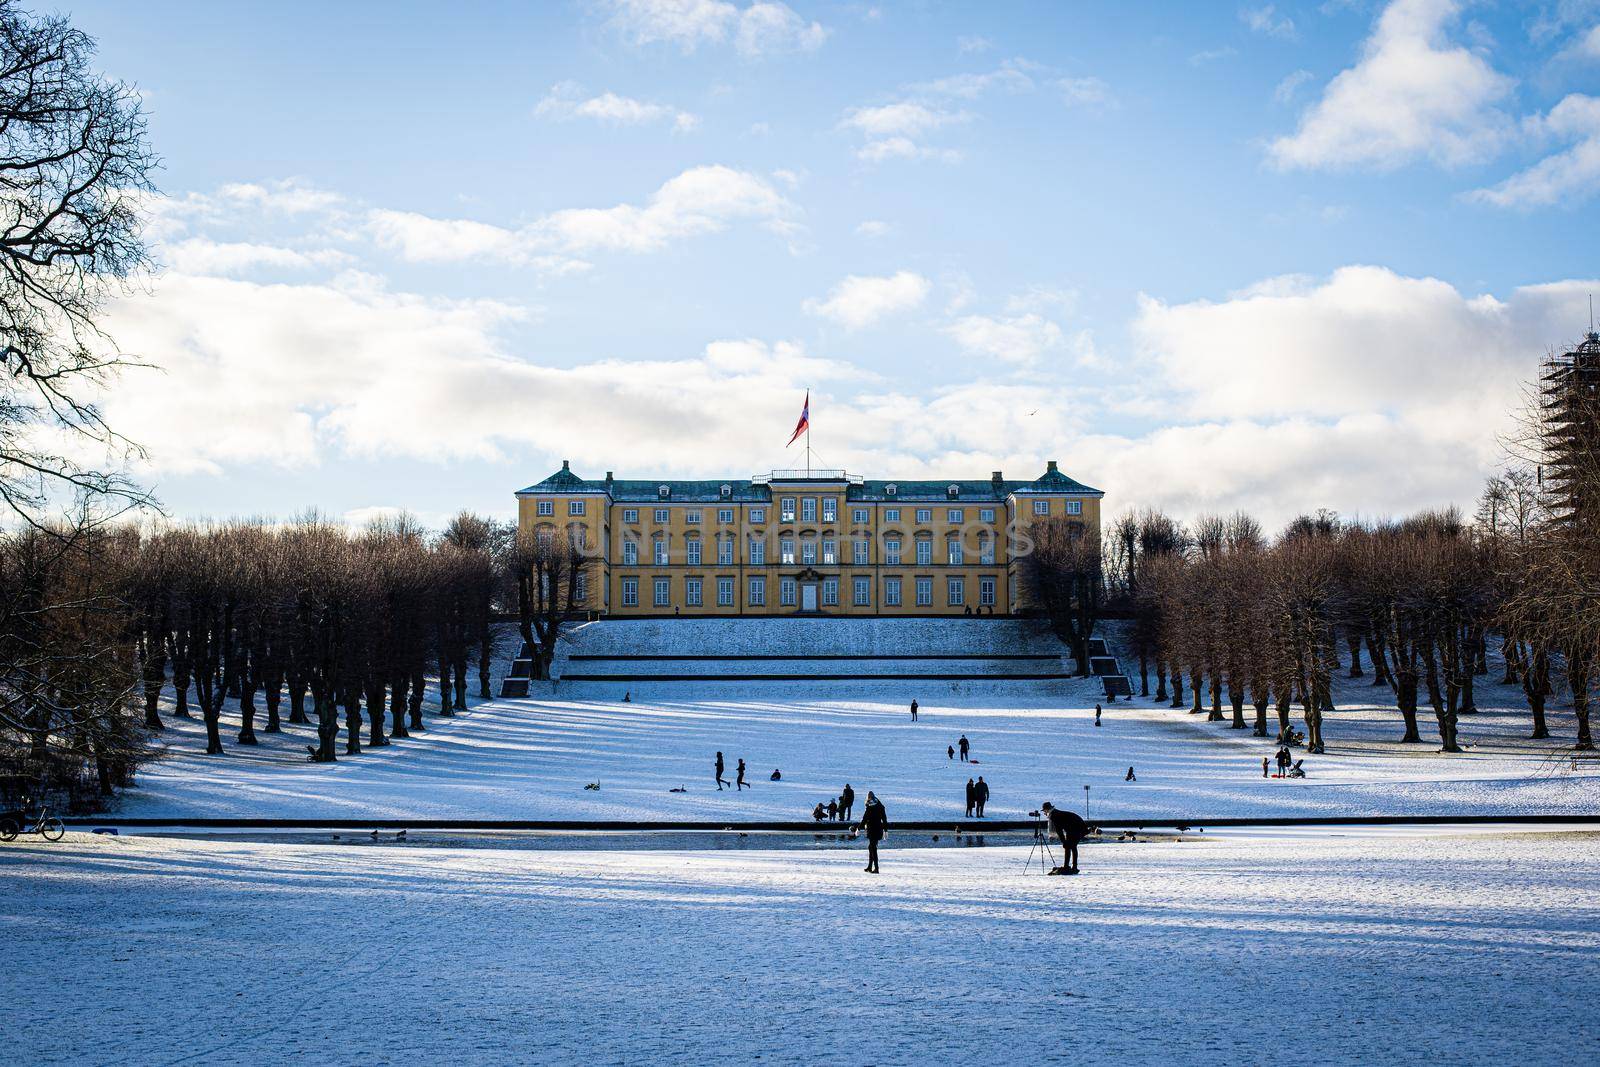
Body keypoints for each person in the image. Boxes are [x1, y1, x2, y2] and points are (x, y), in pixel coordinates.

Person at [1040, 801, 1088, 874]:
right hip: (1074, 828)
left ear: (1047, 809)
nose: (1044, 812)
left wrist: (1063, 842)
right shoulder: (1055, 813)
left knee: (1070, 846)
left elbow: (1059, 830)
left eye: (1044, 810)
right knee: (1070, 846)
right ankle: (1070, 867)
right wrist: (1064, 842)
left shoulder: (1054, 815)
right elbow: (1060, 829)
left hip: (1076, 828)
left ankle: (1070, 867)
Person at [859, 791, 888, 873]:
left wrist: (859, 828)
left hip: (872, 830)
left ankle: (876, 868)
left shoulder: (869, 806)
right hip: (878, 829)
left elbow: (864, 819)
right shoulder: (880, 806)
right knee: (871, 847)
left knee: (873, 848)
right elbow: (884, 819)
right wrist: (885, 830)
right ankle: (870, 866)